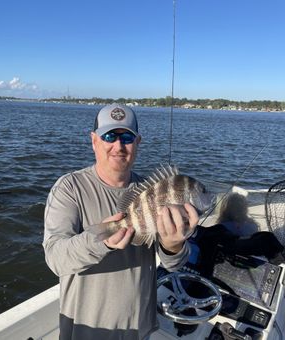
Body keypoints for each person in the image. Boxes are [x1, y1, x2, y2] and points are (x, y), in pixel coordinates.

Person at [43, 103, 199, 340]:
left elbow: (173, 264)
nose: (118, 145)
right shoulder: (69, 188)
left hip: (139, 327)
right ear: (94, 140)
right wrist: (101, 241)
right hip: (88, 331)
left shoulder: (152, 191)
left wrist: (173, 245)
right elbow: (55, 259)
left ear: (138, 142)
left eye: (126, 137)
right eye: (109, 136)